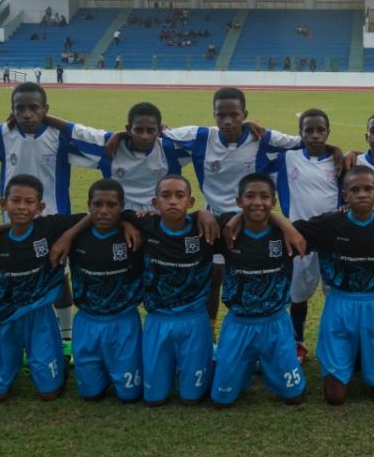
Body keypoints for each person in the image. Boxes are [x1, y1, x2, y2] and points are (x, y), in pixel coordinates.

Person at [0, 82, 108, 355]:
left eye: (34, 108)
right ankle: (21, 333)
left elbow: (100, 147)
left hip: (53, 219)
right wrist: (1, 125)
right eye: (20, 109)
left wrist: (57, 122)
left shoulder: (59, 137)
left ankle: (66, 337)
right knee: (16, 277)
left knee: (58, 275)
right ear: (12, 111)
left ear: (46, 109)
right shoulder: (3, 135)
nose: (28, 114)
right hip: (15, 221)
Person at [161, 87, 310, 339]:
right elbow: (157, 134)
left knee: (255, 273)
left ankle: (270, 331)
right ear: (214, 115)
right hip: (213, 220)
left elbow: (304, 143)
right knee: (213, 277)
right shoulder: (200, 137)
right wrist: (122, 134)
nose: (228, 121)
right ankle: (211, 334)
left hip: (253, 220)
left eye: (234, 115)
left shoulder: (263, 137)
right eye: (221, 115)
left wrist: (341, 153)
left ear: (245, 114)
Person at [293, 165, 374, 405]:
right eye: (354, 190)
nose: (362, 194)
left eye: (368, 189)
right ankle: (347, 360)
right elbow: (290, 230)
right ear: (345, 195)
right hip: (340, 304)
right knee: (335, 397)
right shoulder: (329, 223)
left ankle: (367, 361)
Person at [211, 173, 308, 408]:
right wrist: (230, 218)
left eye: (265, 197)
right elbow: (197, 220)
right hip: (238, 323)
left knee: (294, 397)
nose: (257, 202)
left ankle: (266, 359)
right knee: (221, 400)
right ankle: (235, 357)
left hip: (274, 324)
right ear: (238, 201)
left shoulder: (288, 235)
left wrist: (283, 223)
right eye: (250, 196)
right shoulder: (226, 234)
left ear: (273, 202)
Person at [0, 174, 70, 403]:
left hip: (40, 316)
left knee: (49, 394)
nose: (22, 207)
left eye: (29, 202)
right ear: (3, 203)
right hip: (5, 317)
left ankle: (59, 360)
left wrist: (66, 238)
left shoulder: (48, 228)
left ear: (40, 207)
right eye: (15, 201)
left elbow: (89, 218)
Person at [51, 179, 146, 402]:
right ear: (88, 205)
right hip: (87, 321)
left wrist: (126, 222)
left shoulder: (137, 230)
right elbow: (30, 224)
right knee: (90, 395)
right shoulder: (72, 229)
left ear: (122, 207)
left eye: (111, 205)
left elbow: (170, 219)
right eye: (97, 204)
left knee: (130, 396)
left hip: (123, 322)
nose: (104, 211)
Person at [259, 109, 340, 364]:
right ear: (300, 133)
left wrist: (344, 152)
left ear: (328, 132)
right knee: (297, 295)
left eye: (320, 130)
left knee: (335, 294)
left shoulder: (340, 163)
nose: (315, 135)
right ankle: (297, 341)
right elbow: (258, 159)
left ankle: (335, 341)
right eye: (309, 130)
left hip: (333, 240)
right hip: (298, 237)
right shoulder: (288, 159)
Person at [132, 175, 219, 406]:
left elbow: (239, 219)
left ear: (190, 202)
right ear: (154, 202)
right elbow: (113, 214)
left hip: (194, 321)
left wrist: (205, 212)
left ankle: (209, 362)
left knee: (192, 399)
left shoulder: (205, 229)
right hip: (157, 320)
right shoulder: (146, 225)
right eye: (166, 196)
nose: (172, 201)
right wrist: (125, 222)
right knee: (154, 399)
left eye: (179, 196)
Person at [102, 102, 190, 213]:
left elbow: (203, 143)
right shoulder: (111, 147)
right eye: (139, 130)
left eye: (151, 131)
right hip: (120, 217)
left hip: (158, 218)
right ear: (129, 129)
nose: (144, 137)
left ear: (159, 131)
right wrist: (120, 134)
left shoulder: (171, 149)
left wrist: (120, 134)